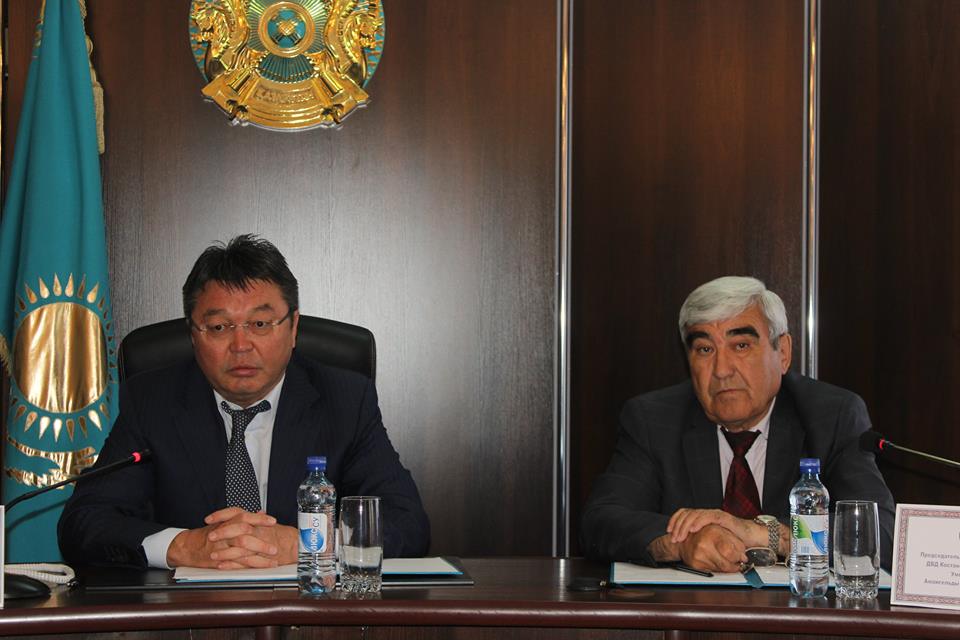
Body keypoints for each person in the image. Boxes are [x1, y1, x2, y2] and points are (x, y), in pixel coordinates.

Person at [59, 235, 430, 569]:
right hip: (191, 613)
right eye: (219, 327)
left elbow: (408, 523)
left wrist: (308, 544)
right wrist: (181, 546)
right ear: (193, 335)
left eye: (260, 324)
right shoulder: (153, 402)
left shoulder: (344, 400)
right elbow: (84, 523)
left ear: (293, 327)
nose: (240, 346)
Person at [581, 276, 895, 572]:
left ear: (783, 353)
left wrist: (762, 533)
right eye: (705, 349)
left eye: (741, 346)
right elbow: (600, 522)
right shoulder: (653, 420)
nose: (722, 370)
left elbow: (878, 531)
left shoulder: (833, 416)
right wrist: (680, 544)